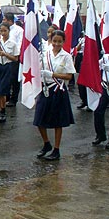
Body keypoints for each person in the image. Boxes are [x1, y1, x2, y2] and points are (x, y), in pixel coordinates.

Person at [34, 30, 76, 161]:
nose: (57, 44)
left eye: (59, 41)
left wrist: (53, 75)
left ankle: (56, 150)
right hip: (46, 89)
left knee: (58, 122)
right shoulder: (45, 54)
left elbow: (69, 75)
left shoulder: (66, 56)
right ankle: (46, 143)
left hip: (58, 89)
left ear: (63, 42)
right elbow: (38, 70)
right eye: (54, 41)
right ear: (51, 41)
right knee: (39, 119)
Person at [0, 23, 19, 123]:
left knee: (3, 89)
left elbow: (15, 58)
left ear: (8, 31)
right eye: (1, 31)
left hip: (8, 66)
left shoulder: (13, 43)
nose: (3, 33)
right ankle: (2, 109)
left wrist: (5, 54)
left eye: (5, 31)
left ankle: (3, 112)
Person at [2, 13, 23, 107]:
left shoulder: (19, 30)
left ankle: (13, 99)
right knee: (6, 78)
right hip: (3, 57)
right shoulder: (2, 29)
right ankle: (5, 97)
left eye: (4, 19)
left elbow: (20, 43)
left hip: (13, 56)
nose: (3, 21)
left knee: (14, 79)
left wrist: (13, 53)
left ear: (10, 21)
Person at [92, 53, 109, 147]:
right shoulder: (105, 56)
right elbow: (95, 65)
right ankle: (100, 135)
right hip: (105, 87)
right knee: (98, 111)